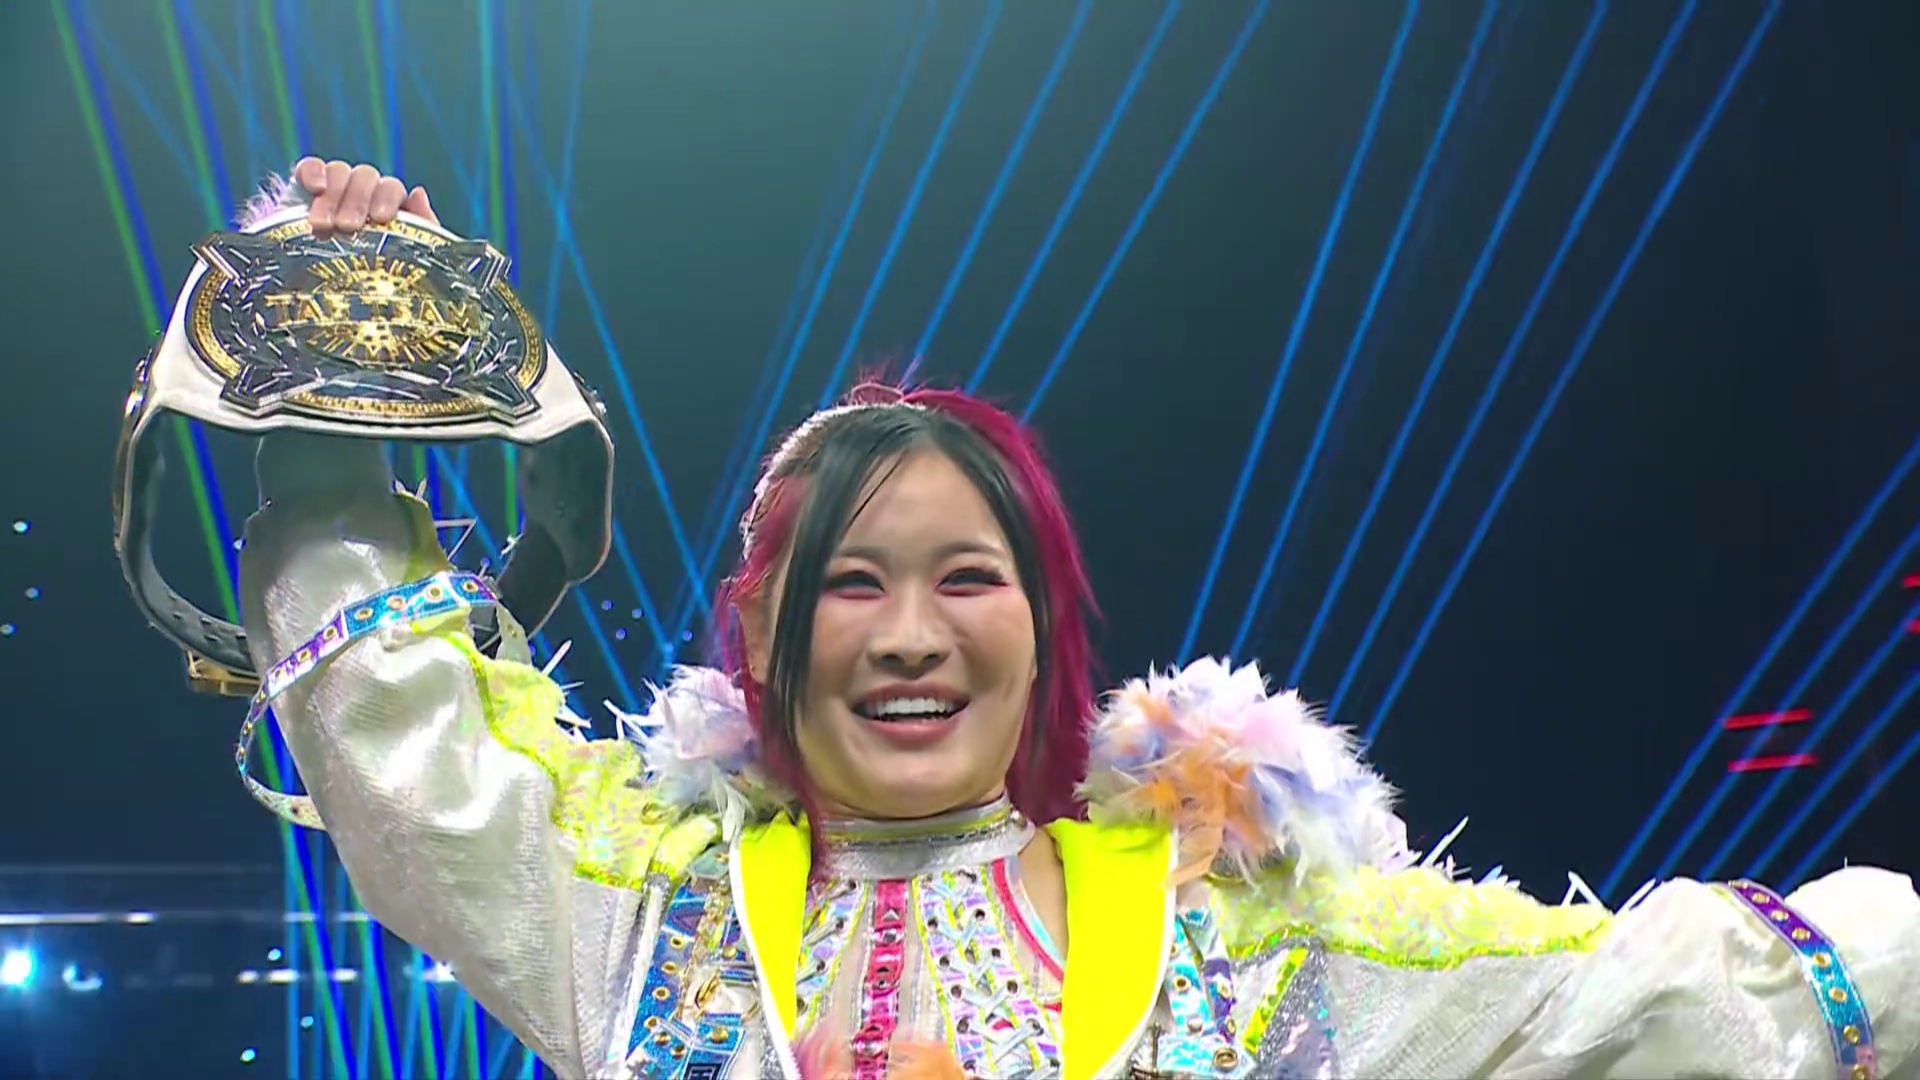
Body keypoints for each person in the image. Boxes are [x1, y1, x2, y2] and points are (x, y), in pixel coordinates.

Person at [229, 158, 1919, 1080]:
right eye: (850, 584)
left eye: (967, 579)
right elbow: (400, 738)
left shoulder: (1236, 942)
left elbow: (1641, 1005)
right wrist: (344, 343)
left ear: (1045, 636)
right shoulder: (650, 913)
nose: (908, 635)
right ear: (764, 641)